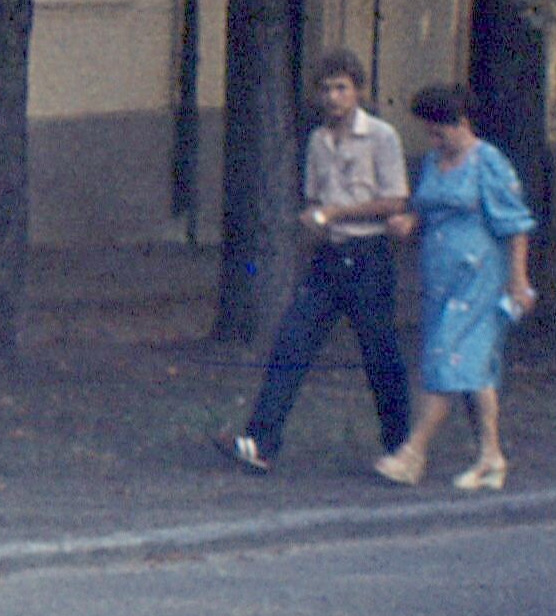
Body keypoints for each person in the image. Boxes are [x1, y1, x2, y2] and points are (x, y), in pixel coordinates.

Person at [221, 55, 413, 474]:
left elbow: (394, 200)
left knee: (380, 354)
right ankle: (261, 440)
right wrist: (314, 229)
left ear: (359, 91)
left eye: (342, 88)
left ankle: (401, 445)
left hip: (368, 255)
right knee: (292, 343)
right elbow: (315, 201)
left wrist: (335, 216)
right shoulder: (318, 141)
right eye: (326, 89)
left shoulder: (381, 136)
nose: (333, 97)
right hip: (329, 260)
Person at [374, 83, 536, 493]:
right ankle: (491, 456)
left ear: (460, 123)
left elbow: (515, 227)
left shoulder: (488, 163)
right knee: (473, 368)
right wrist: (410, 223)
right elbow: (426, 209)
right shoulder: (433, 163)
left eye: (438, 131)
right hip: (440, 278)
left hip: (478, 277)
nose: (433, 139)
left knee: (448, 360)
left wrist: (518, 280)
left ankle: (413, 452)